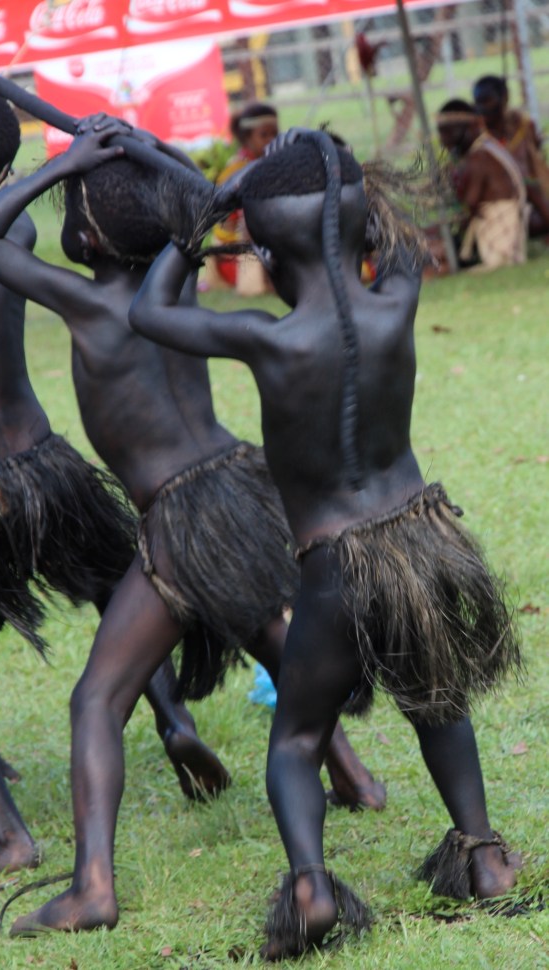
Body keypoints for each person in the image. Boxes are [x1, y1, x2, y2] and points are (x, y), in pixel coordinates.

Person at [0, 114, 384, 933]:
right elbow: (197, 197)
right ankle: (354, 777)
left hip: (180, 514)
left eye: (76, 209)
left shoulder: (88, 301)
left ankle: (93, 888)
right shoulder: (171, 280)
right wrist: (147, 151)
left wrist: (65, 165)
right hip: (237, 483)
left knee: (96, 700)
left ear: (90, 237)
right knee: (264, 627)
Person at [128, 128, 522, 959]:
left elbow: (149, 313)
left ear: (267, 253)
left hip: (335, 564)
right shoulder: (397, 298)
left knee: (299, 739)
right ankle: (485, 859)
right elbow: (394, 236)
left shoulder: (267, 337)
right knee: (438, 704)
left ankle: (310, 888)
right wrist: (332, 186)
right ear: (357, 225)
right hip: (421, 543)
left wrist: (204, 220)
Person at [0, 42, 232, 880]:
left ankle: (3, 835)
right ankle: (174, 719)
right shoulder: (18, 224)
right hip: (43, 463)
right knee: (120, 586)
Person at [436, 98, 528, 270]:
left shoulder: (479, 157)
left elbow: (468, 205)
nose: (443, 140)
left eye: (448, 133)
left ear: (470, 127)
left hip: (500, 245)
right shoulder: (488, 147)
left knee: (437, 259)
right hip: (504, 234)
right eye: (441, 133)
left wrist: (446, 237)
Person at [208, 101, 278, 296]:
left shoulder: (274, 164)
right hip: (236, 258)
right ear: (246, 138)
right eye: (264, 135)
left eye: (275, 134)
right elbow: (228, 227)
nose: (271, 140)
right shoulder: (236, 170)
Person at [473, 74, 549, 238]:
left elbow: (535, 159)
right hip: (505, 206)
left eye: (487, 101)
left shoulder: (523, 125)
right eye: (478, 102)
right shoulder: (479, 140)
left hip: (536, 195)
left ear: (504, 98)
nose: (483, 108)